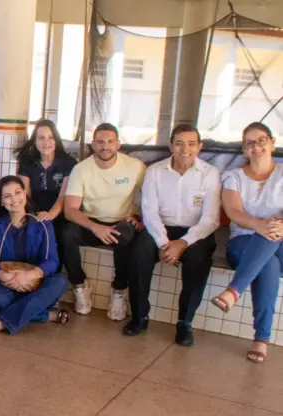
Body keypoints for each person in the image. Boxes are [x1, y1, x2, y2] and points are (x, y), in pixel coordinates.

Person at [125, 124, 219, 344]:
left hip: (196, 231)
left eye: (191, 144)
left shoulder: (210, 174)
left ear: (200, 146)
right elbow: (149, 212)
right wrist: (163, 243)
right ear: (171, 145)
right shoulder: (155, 171)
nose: (185, 149)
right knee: (139, 251)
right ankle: (140, 316)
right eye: (179, 143)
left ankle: (185, 322)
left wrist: (183, 243)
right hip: (160, 228)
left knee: (199, 257)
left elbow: (210, 220)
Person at [210, 123, 281, 363]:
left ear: (272, 143)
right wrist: (259, 225)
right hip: (242, 242)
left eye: (261, 140)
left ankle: (234, 291)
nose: (256, 147)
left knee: (271, 235)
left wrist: (277, 226)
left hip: (280, 240)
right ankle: (261, 338)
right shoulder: (234, 177)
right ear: (244, 149)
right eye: (250, 143)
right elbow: (234, 211)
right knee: (268, 263)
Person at [63, 123, 146, 318]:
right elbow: (70, 210)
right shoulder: (81, 169)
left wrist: (142, 219)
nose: (105, 146)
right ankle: (79, 285)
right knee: (65, 234)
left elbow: (153, 197)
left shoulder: (134, 166)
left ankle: (119, 290)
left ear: (118, 144)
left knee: (125, 236)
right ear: (93, 144)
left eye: (110, 142)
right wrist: (95, 227)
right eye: (100, 142)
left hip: (121, 222)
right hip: (91, 223)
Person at [0, 176, 69, 335]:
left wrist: (29, 276)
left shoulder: (42, 222)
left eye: (17, 192)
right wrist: (7, 277)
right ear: (1, 201)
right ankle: (47, 315)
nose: (14, 199)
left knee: (60, 282)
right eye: (7, 196)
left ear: (25, 193)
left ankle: (2, 323)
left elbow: (52, 261)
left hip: (36, 284)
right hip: (8, 284)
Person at [16, 119, 77, 267]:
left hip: (59, 212)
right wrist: (34, 215)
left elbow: (63, 196)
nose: (46, 142)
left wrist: (50, 215)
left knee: (59, 233)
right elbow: (25, 194)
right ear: (35, 141)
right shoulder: (27, 162)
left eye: (51, 137)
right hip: (35, 211)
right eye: (41, 138)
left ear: (56, 140)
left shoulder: (68, 163)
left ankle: (53, 270)